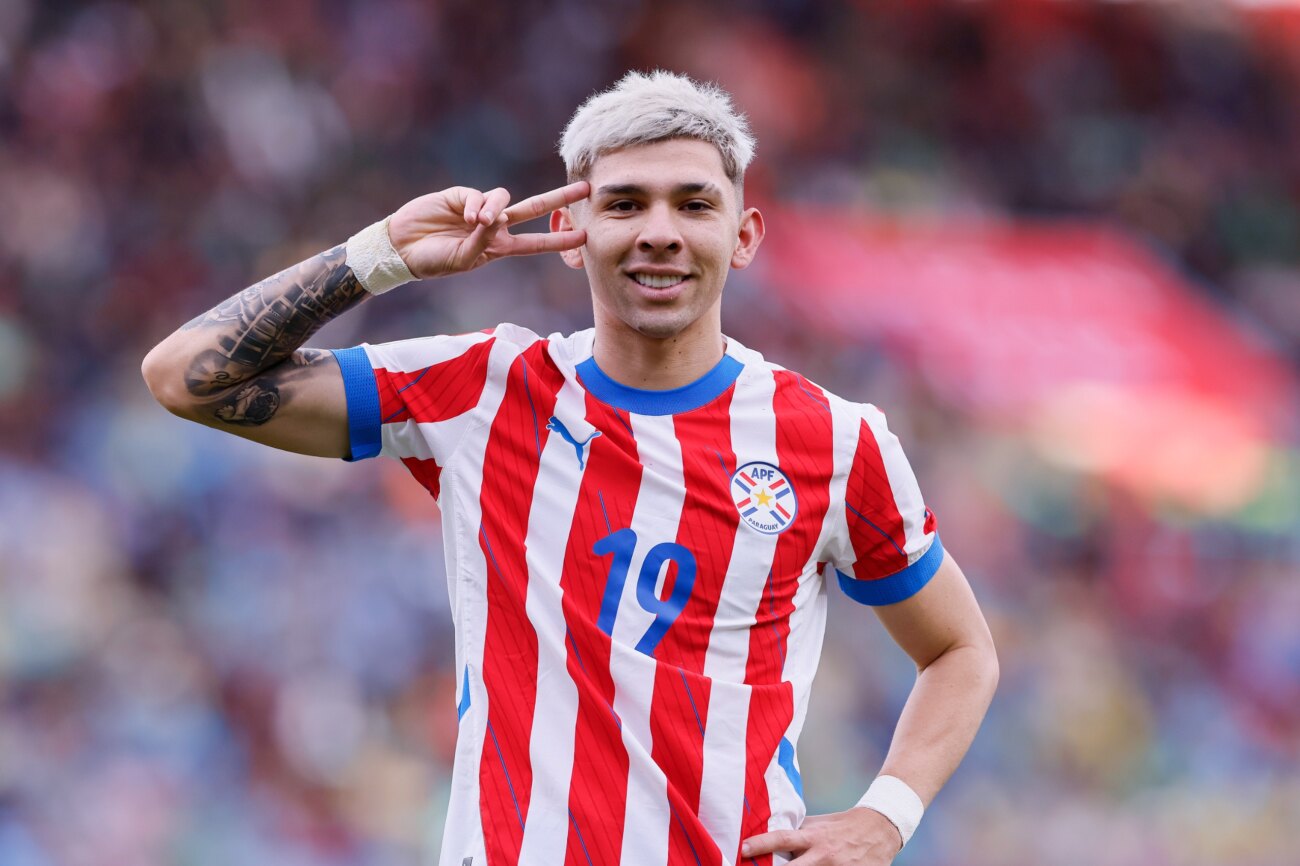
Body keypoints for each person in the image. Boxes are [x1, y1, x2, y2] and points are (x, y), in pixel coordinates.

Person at [143, 70, 998, 866]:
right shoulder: (482, 388)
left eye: (693, 204)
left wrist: (886, 815)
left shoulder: (835, 441)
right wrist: (384, 254)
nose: (658, 232)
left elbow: (960, 649)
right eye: (623, 203)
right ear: (568, 233)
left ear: (742, 237)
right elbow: (186, 377)